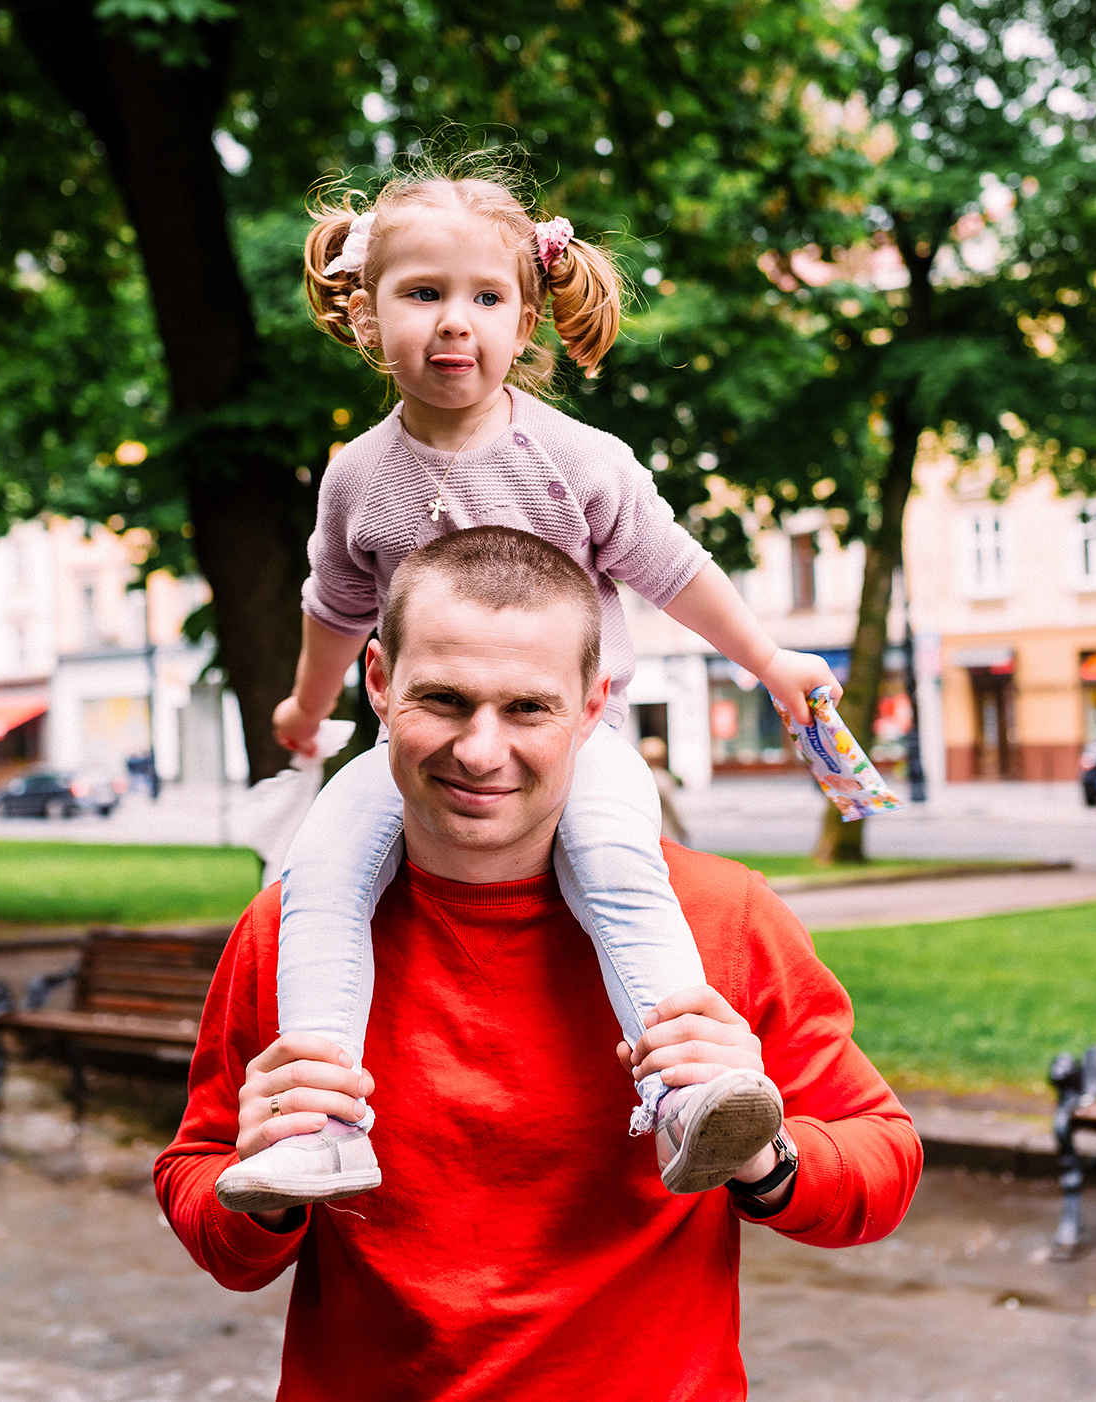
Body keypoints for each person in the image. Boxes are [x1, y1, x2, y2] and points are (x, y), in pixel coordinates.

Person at [155, 528, 922, 1400]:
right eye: (443, 700)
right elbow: (205, 1199)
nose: (481, 752)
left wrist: (766, 1156)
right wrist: (261, 1187)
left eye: (528, 709)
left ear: (594, 707)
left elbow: (883, 1166)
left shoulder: (720, 917)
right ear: (377, 682)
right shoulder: (289, 929)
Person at [220, 155, 842, 1211]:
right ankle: (318, 1122)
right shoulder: (358, 477)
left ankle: (693, 1095)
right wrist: (308, 706)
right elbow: (335, 608)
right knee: (317, 876)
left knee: (616, 863)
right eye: (423, 294)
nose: (454, 322)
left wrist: (769, 659)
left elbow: (674, 567)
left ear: (526, 319)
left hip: (572, 744)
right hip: (408, 743)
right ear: (369, 316)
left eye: (485, 297)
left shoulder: (579, 460)